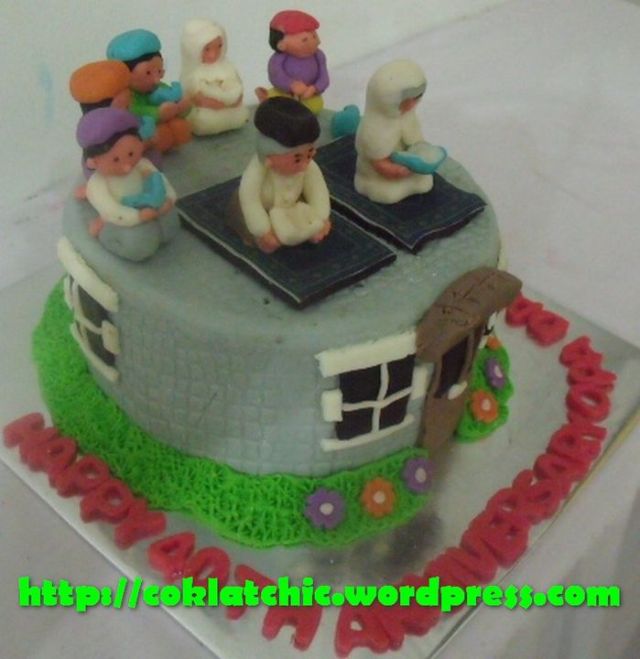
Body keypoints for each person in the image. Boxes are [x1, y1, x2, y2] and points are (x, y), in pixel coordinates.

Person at [77, 108, 179, 261]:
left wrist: (169, 198)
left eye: (131, 154)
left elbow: (160, 180)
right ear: (93, 162)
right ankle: (105, 231)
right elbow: (110, 208)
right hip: (122, 216)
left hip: (150, 206)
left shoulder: (142, 164)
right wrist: (137, 216)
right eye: (115, 160)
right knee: (139, 242)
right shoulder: (97, 184)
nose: (127, 167)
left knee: (170, 224)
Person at [239, 97, 331, 253]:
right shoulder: (257, 170)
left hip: (292, 204)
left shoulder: (309, 167)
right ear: (269, 158)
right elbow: (250, 199)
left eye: (310, 154)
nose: (305, 165)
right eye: (297, 159)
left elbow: (317, 189)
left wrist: (322, 216)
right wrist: (262, 230)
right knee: (242, 215)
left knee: (309, 221)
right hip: (265, 207)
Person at [355, 59, 438, 204]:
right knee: (389, 195)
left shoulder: (408, 116)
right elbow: (377, 161)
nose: (413, 104)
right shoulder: (374, 127)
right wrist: (395, 171)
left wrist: (422, 156)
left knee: (424, 182)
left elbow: (416, 141)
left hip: (407, 165)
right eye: (408, 99)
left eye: (417, 98)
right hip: (377, 174)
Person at [107, 29, 191, 152]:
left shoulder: (159, 87)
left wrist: (183, 106)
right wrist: (157, 113)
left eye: (159, 71)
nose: (156, 80)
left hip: (172, 145)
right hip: (144, 138)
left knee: (179, 125)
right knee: (160, 133)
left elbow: (175, 101)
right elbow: (132, 111)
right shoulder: (125, 97)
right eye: (147, 73)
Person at [180, 19, 249, 135]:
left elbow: (238, 85)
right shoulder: (192, 73)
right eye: (207, 49)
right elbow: (197, 99)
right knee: (205, 120)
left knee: (240, 115)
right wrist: (217, 104)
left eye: (219, 46)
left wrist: (236, 99)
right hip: (208, 109)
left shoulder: (227, 66)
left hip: (231, 107)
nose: (214, 54)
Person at [255, 10, 329, 115]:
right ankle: (266, 98)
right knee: (276, 101)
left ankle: (299, 111)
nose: (315, 42)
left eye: (314, 36)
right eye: (304, 40)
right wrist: (291, 85)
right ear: (281, 44)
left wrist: (314, 88)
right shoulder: (278, 59)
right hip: (284, 92)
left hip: (309, 94)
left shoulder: (318, 55)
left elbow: (324, 77)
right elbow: (276, 75)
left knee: (316, 106)